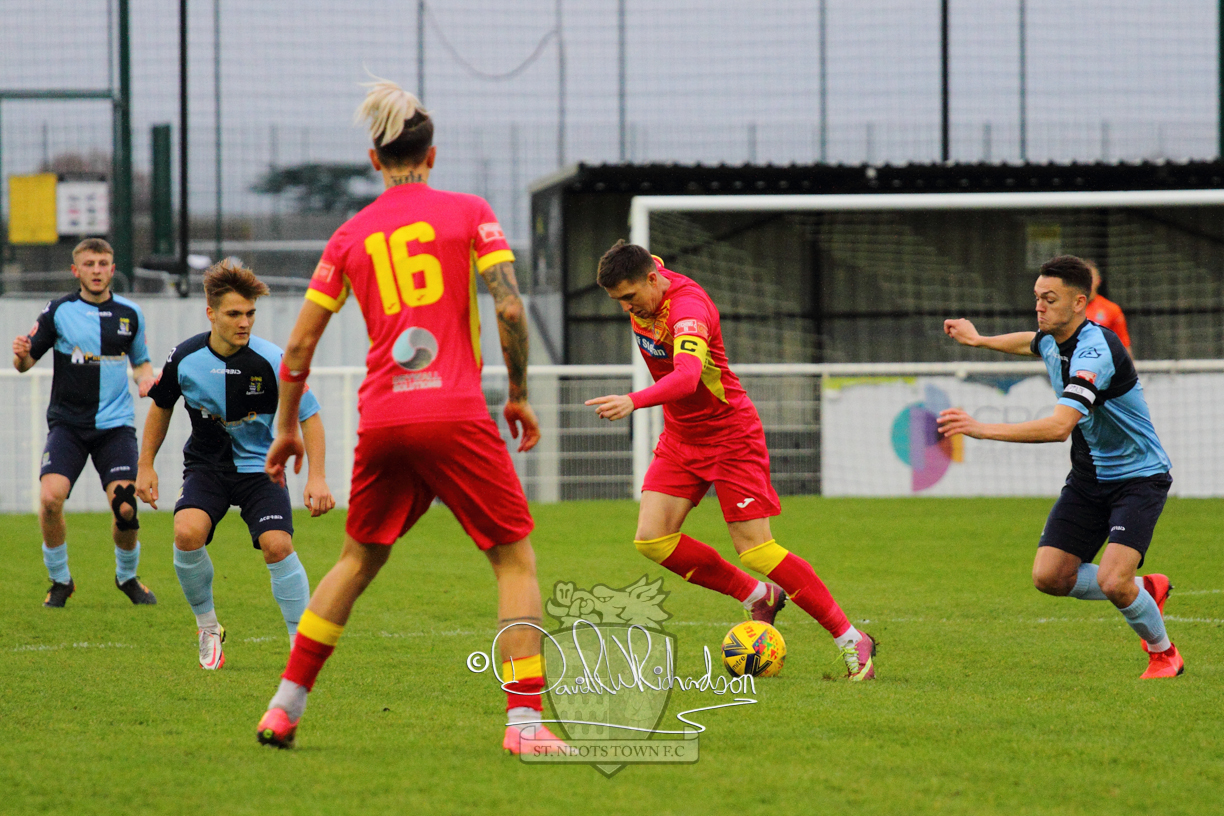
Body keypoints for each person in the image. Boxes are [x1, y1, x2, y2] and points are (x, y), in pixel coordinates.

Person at [255, 77, 567, 754]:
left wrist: (284, 428)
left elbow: (299, 345)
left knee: (356, 560)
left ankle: (283, 707)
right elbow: (510, 307)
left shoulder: (349, 235)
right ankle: (524, 726)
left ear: (375, 160)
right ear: (433, 155)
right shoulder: (469, 212)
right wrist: (517, 392)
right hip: (455, 413)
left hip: (385, 419)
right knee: (514, 561)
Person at [585, 241, 878, 680]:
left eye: (629, 297)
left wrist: (633, 400)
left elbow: (687, 377)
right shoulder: (648, 279)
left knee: (756, 548)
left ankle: (852, 638)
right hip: (682, 437)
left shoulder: (689, 310)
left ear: (652, 280)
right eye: (618, 300)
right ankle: (758, 596)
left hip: (729, 436)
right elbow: (642, 262)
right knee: (652, 539)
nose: (626, 307)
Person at [940, 254, 1181, 679]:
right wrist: (979, 340)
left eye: (1049, 299)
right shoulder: (1053, 337)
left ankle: (1165, 655)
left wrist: (981, 428)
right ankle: (1147, 589)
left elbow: (1058, 428)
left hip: (1138, 478)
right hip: (1088, 478)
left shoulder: (1096, 353)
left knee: (1113, 581)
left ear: (1079, 303)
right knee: (1049, 577)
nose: (1039, 307)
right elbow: (1029, 342)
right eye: (1037, 297)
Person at [136, 261, 334, 669]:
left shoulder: (273, 360)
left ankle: (300, 644)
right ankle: (208, 628)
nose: (244, 322)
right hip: (206, 467)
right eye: (233, 314)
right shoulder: (185, 357)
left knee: (277, 545)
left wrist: (317, 477)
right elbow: (161, 406)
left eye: (250, 313)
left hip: (261, 470)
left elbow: (310, 415)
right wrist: (145, 465)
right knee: (186, 533)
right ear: (210, 313)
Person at [11, 238, 158, 608]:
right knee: (50, 499)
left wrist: (145, 379)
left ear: (112, 269)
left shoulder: (130, 313)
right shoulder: (59, 311)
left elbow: (141, 361)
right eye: (89, 264)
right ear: (76, 270)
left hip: (115, 426)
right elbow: (25, 364)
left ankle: (127, 577)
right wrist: (21, 356)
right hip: (68, 426)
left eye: (103, 263)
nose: (96, 270)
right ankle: (61, 580)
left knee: (125, 507)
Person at [1084, 259, 1131, 353]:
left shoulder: (1112, 309)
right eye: (1083, 278)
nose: (1087, 282)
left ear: (1098, 280)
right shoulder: (1068, 309)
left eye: (1091, 277)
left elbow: (1123, 346)